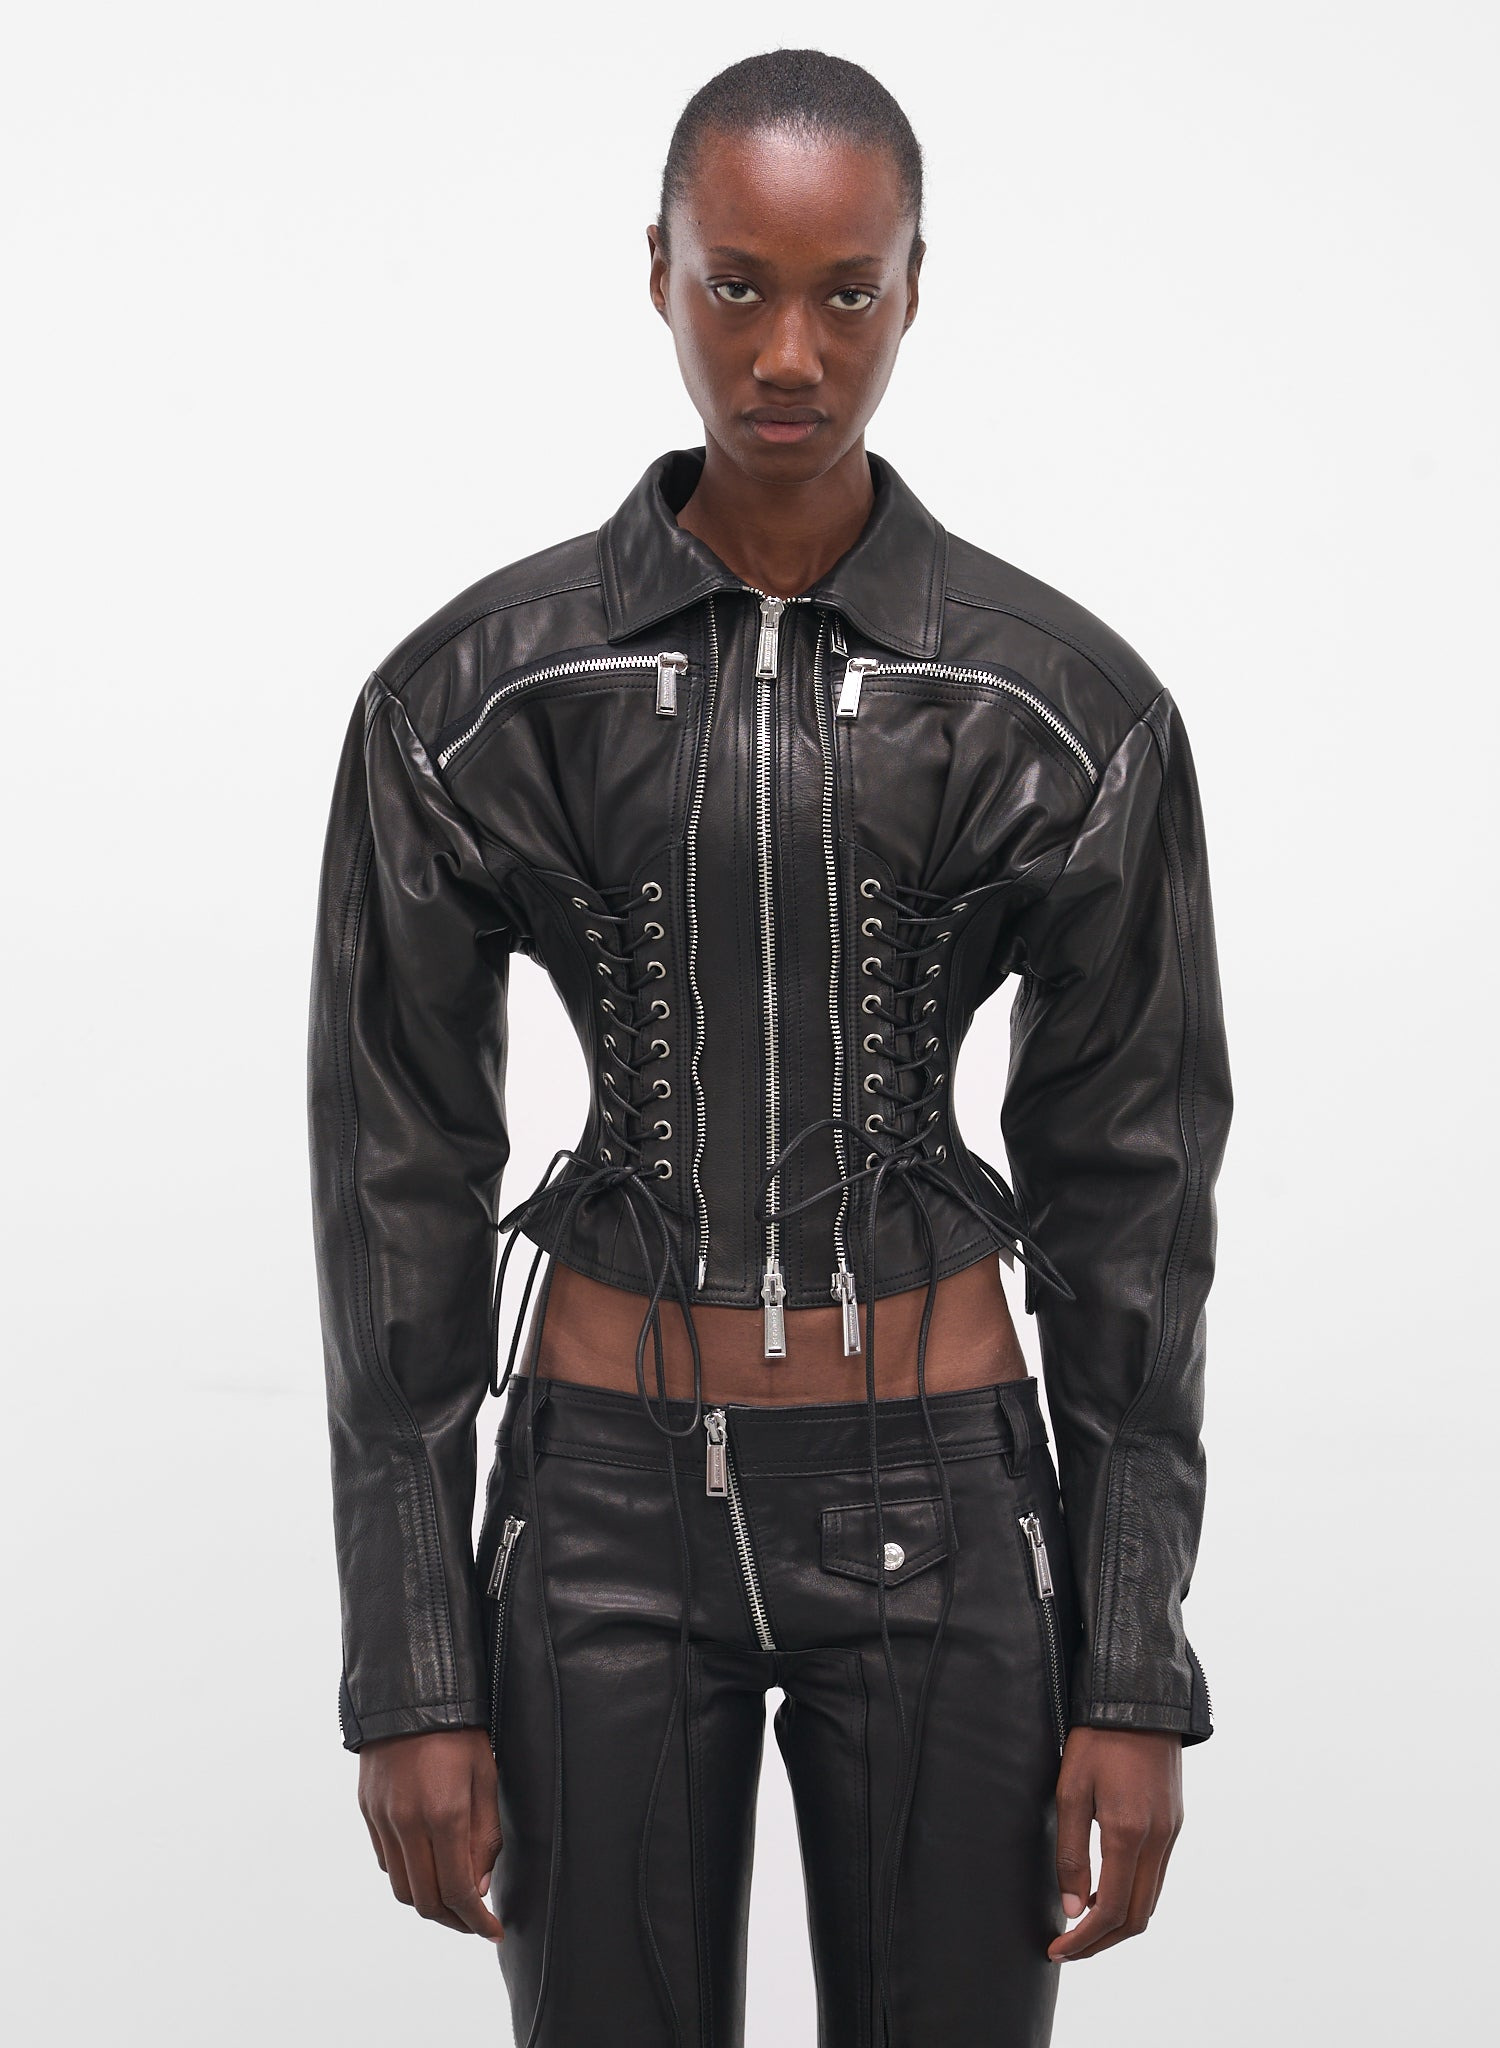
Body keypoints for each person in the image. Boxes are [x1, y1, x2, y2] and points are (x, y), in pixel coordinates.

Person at [307, 46, 1233, 2048]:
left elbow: (1136, 1215)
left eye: (845, 289)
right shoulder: (474, 699)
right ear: (656, 270)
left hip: (950, 1503)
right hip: (597, 1515)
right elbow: (393, 1197)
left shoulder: (1066, 709)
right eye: (736, 284)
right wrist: (413, 1668)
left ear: (916, 286)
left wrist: (1134, 1664)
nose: (788, 351)